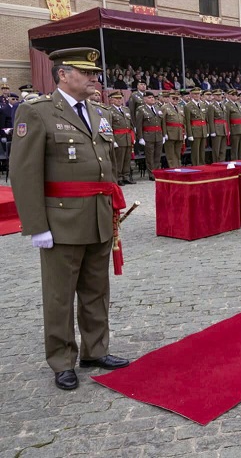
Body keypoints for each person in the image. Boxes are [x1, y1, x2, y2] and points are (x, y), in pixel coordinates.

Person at [9, 47, 130, 391]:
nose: (95, 78)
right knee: (60, 296)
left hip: (97, 216)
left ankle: (96, 350)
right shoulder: (38, 112)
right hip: (60, 221)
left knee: (96, 290)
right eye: (86, 73)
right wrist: (36, 226)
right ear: (63, 75)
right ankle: (62, 360)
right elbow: (23, 172)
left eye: (95, 73)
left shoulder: (98, 112)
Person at [135, 91, 165, 180]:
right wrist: (140, 137)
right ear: (144, 99)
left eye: (152, 97)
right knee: (150, 156)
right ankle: (152, 173)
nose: (152, 99)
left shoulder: (157, 108)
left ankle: (157, 171)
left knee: (157, 155)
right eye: (149, 98)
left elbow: (161, 122)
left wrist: (163, 134)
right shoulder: (141, 109)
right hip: (148, 136)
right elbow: (139, 124)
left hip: (158, 135)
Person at [109, 91, 136, 184]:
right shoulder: (109, 111)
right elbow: (109, 127)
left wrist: (133, 136)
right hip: (118, 138)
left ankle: (126, 176)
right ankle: (118, 177)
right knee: (119, 159)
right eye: (116, 98)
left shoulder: (126, 109)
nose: (119, 100)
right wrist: (113, 140)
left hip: (127, 137)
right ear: (111, 100)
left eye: (120, 98)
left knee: (127, 158)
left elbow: (130, 125)